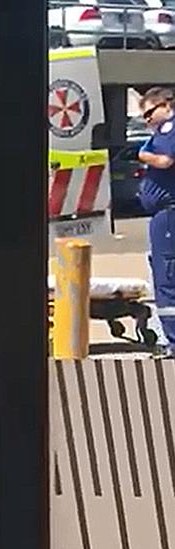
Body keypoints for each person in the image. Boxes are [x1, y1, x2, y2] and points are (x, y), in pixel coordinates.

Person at [138, 88, 175, 357]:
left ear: (166, 105)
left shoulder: (167, 131)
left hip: (168, 215)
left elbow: (164, 161)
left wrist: (143, 154)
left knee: (167, 277)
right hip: (164, 214)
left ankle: (173, 341)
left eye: (149, 113)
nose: (147, 120)